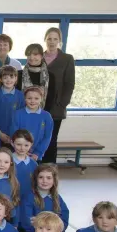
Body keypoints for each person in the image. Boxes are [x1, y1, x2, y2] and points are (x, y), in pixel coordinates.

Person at [42, 27, 75, 164]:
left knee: (51, 139)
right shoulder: (38, 57)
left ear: (60, 41)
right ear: (45, 40)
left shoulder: (67, 59)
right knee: (37, 138)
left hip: (56, 108)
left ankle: (50, 171)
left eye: (55, 39)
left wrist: (62, 103)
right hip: (38, 106)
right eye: (49, 38)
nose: (52, 42)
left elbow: (69, 83)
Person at [20, 164, 69, 232]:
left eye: (49, 178)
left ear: (54, 180)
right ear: (35, 179)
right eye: (41, 177)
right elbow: (26, 222)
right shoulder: (28, 197)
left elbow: (64, 219)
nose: (44, 181)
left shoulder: (57, 198)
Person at [10, 86, 54, 161]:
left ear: (41, 99)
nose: (32, 101)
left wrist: (38, 152)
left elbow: (47, 137)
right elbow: (14, 134)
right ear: (25, 99)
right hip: (20, 152)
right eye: (29, 98)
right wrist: (22, 150)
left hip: (36, 155)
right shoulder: (17, 114)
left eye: (36, 98)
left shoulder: (46, 116)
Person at [0, 65, 25, 145]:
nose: (8, 80)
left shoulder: (20, 95)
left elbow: (22, 116)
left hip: (16, 135)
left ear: (16, 79)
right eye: (5, 78)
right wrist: (0, 134)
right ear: (1, 79)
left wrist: (16, 135)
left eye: (11, 77)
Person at [22, 43, 56, 109]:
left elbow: (50, 99)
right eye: (29, 54)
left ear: (42, 56)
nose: (31, 57)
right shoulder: (20, 74)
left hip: (42, 114)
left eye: (35, 54)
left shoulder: (50, 76)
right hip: (22, 114)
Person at [11, 129, 38, 199]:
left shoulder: (34, 164)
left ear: (31, 145)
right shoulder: (7, 161)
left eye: (26, 145)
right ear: (12, 143)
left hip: (28, 199)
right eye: (18, 144)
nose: (22, 148)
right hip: (10, 198)